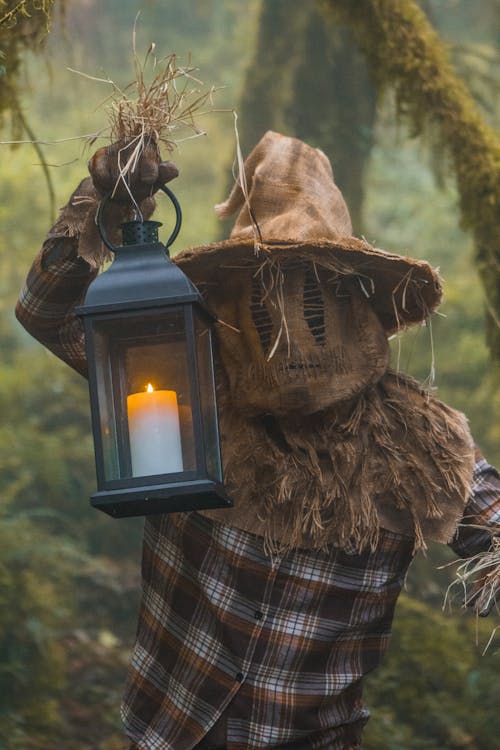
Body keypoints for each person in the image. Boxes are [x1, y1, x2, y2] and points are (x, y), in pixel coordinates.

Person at [16, 132, 499, 750]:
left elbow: (494, 529)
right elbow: (46, 312)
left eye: (317, 288)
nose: (293, 319)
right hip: (171, 728)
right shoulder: (186, 385)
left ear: (361, 300)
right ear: (229, 303)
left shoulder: (419, 442)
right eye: (265, 289)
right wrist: (107, 205)